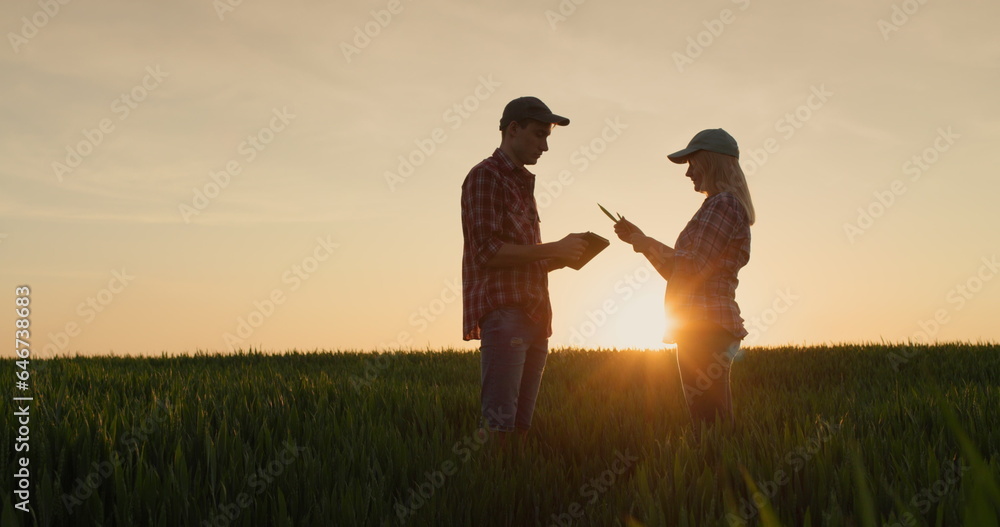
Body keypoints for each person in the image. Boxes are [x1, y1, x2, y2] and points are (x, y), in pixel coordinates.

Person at [461, 96, 589, 443]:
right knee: (499, 430)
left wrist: (565, 255)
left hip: (535, 314)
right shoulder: (484, 176)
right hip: (505, 313)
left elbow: (524, 258)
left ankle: (511, 488)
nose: (545, 146)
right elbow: (485, 252)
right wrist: (553, 249)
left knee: (520, 429)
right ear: (513, 130)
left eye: (547, 137)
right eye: (538, 135)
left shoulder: (521, 184)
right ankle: (493, 493)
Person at [614, 128, 754, 429]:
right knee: (706, 417)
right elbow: (678, 274)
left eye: (693, 163)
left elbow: (693, 266)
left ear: (711, 162)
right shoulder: (715, 205)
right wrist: (641, 242)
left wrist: (646, 242)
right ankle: (723, 470)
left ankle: (724, 472)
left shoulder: (724, 205)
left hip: (707, 326)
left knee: (710, 419)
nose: (688, 173)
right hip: (702, 324)